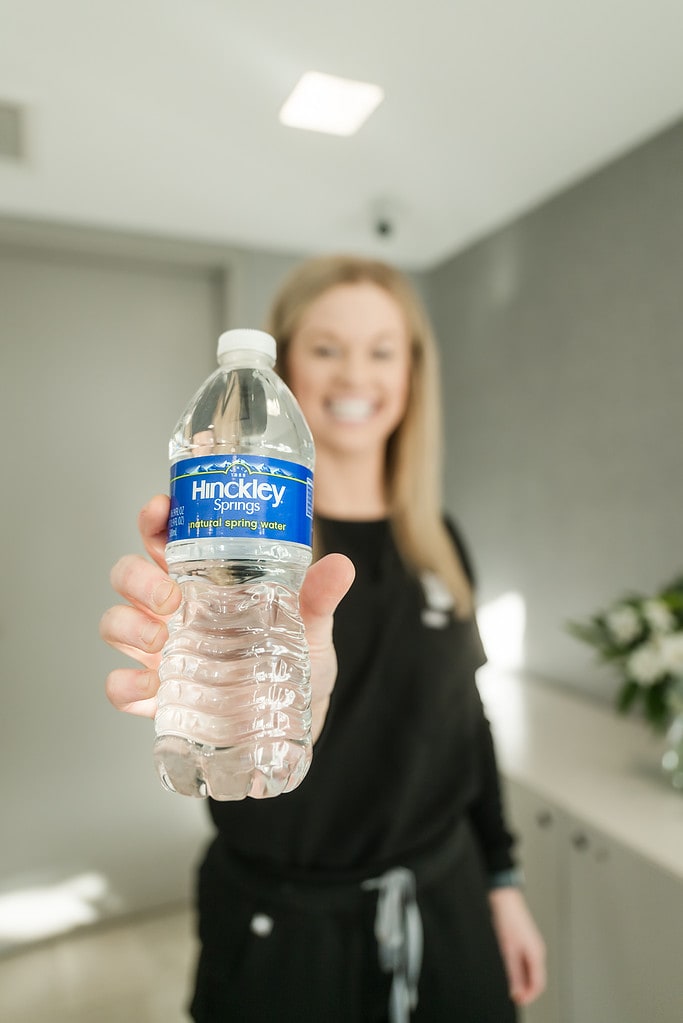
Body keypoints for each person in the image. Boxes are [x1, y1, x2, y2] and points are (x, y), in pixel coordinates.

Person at [100, 255, 546, 1023]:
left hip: (444, 899)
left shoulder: (438, 541)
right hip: (284, 928)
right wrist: (250, 695)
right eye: (326, 347)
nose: (354, 376)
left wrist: (500, 882)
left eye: (382, 349)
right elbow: (242, 781)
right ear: (279, 369)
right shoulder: (243, 546)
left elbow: (463, 723)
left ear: (412, 370)